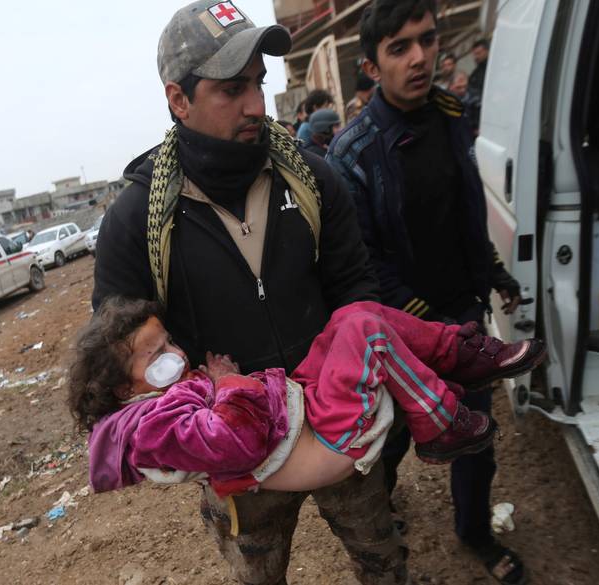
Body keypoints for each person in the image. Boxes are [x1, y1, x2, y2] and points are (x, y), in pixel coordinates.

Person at [92, 2, 409, 583]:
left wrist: (345, 388)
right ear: (178, 99)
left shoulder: (313, 177)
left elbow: (357, 291)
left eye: (259, 84)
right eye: (232, 89)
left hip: (338, 424)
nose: (256, 106)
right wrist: (210, 424)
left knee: (382, 560)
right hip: (236, 455)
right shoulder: (135, 220)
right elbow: (124, 361)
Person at [327, 1, 528, 584]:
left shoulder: (452, 116)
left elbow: (466, 219)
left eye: (427, 40)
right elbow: (359, 264)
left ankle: (474, 534)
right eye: (400, 47)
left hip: (463, 321)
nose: (420, 57)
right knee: (388, 442)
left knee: (475, 438)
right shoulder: (353, 153)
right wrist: (423, 325)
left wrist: (495, 274)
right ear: (370, 66)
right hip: (399, 335)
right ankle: (383, 516)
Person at [74, 298, 547, 496]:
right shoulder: (151, 426)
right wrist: (228, 384)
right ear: (123, 389)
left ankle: (460, 354)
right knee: (367, 334)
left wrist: (225, 386)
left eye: (169, 342)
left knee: (352, 314)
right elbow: (236, 442)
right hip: (321, 441)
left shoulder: (165, 397)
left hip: (303, 411)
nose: (175, 355)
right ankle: (439, 427)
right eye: (155, 355)